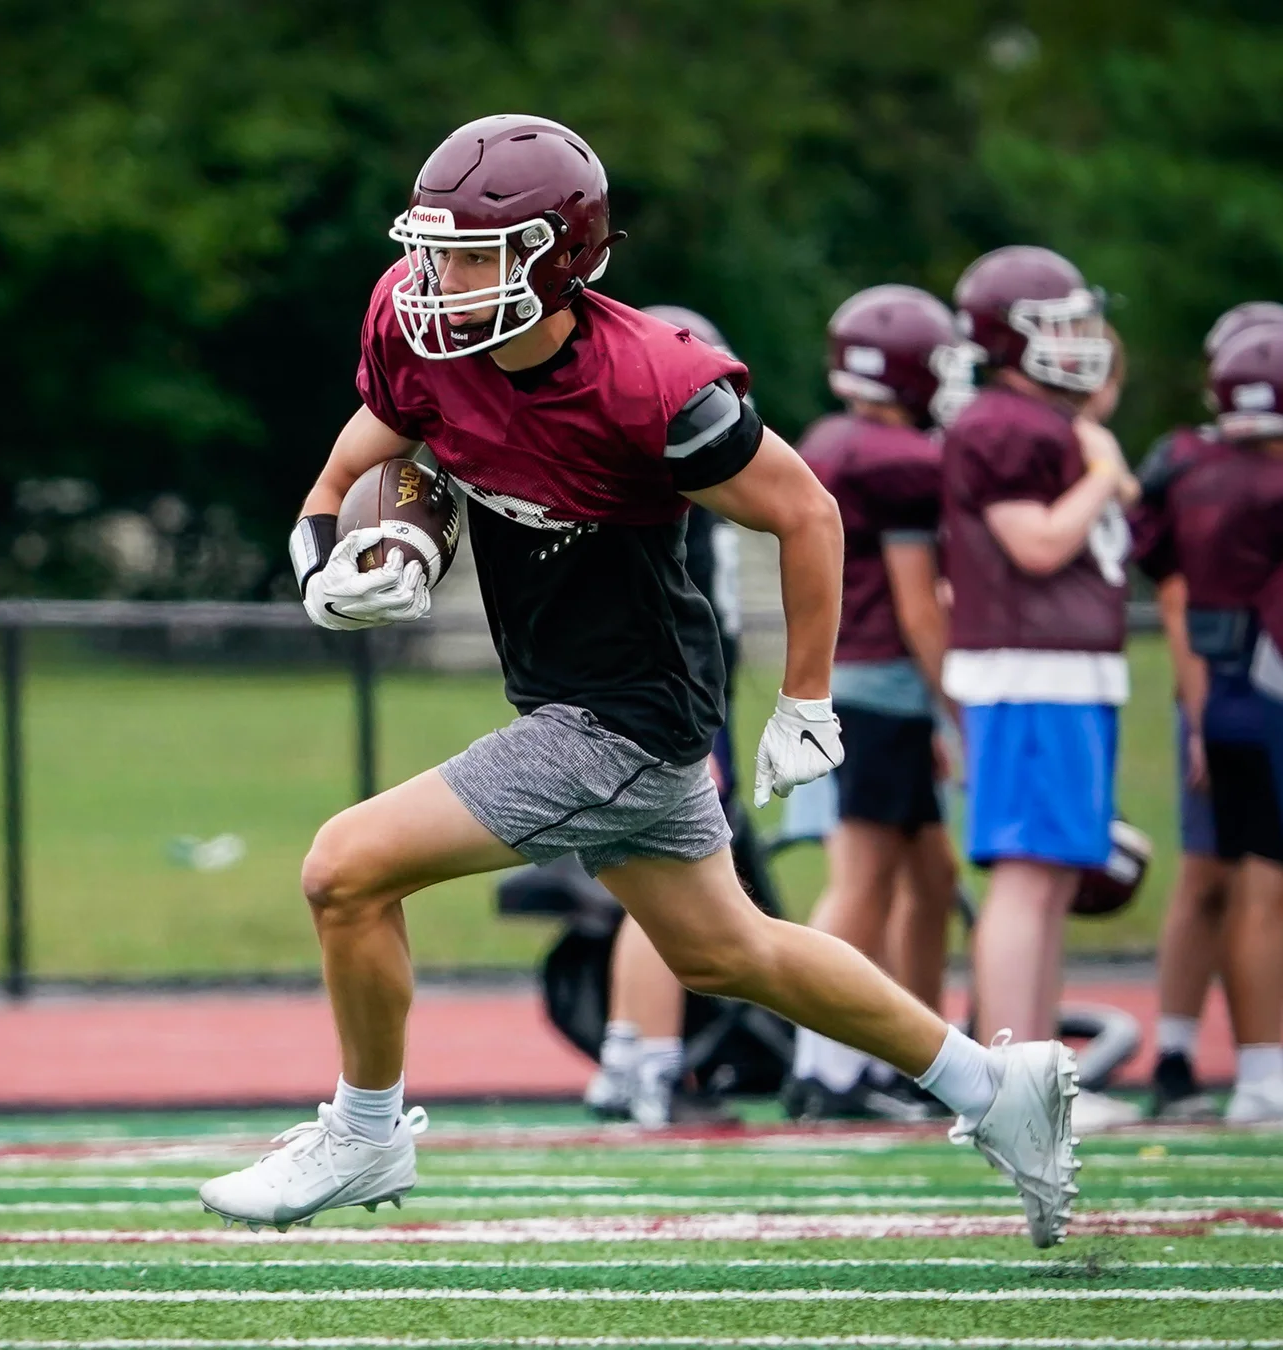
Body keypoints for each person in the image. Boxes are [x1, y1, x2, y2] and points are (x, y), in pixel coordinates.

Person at [201, 116, 1081, 1247]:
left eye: (477, 254)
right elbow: (371, 446)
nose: (440, 280)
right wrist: (321, 551)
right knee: (729, 951)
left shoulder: (654, 383)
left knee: (346, 870)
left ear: (559, 256)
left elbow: (808, 512)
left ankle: (367, 1129)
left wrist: (805, 700)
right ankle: (995, 1089)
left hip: (622, 714)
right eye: (433, 249)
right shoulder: (417, 325)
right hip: (589, 701)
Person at [938, 244, 1140, 1136]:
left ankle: (1040, 1081)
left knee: (1053, 879)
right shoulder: (1005, 426)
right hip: (1030, 674)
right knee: (1027, 879)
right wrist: (1101, 469)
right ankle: (1010, 1085)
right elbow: (1039, 546)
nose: (1080, 341)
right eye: (1055, 324)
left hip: (1062, 671)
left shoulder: (1040, 420)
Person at [785, 284, 968, 1119]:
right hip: (882, 685)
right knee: (862, 882)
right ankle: (825, 1066)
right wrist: (952, 704)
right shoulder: (899, 460)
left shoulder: (833, 437)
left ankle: (921, 1057)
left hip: (850, 680)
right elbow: (918, 601)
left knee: (932, 878)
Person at [584, 303, 744, 1128]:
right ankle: (651, 1066)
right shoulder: (670, 493)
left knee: (657, 893)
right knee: (677, 900)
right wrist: (708, 740)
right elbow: (684, 622)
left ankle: (623, 1058)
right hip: (676, 708)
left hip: (673, 700)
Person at [1132, 308, 1283, 1118]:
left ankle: (1213, 1059)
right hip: (1252, 696)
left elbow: (1174, 584)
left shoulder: (1187, 467)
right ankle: (1245, 1070)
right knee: (1247, 884)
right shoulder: (1247, 480)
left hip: (1222, 696)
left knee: (1236, 882)